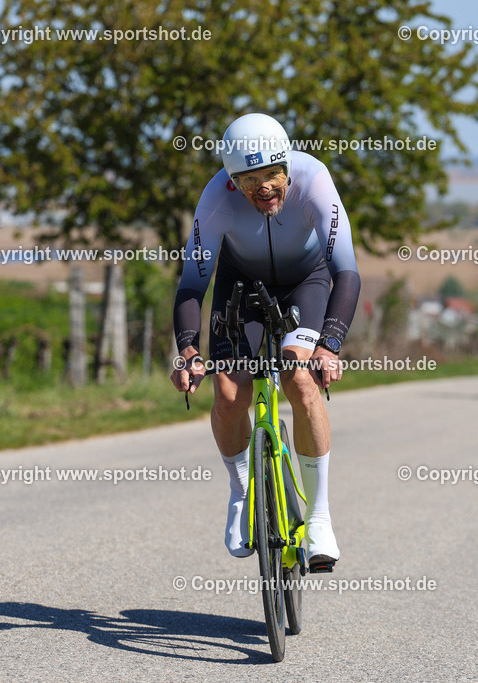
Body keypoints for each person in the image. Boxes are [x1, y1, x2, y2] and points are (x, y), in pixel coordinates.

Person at [170, 113, 360, 571]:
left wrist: (329, 346)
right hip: (241, 286)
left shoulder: (314, 179)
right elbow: (192, 286)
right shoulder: (215, 199)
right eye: (249, 181)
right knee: (231, 391)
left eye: (272, 175)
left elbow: (346, 273)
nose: (265, 189)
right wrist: (189, 351)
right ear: (232, 181)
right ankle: (240, 493)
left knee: (300, 380)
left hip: (306, 282)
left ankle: (318, 517)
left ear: (287, 167)